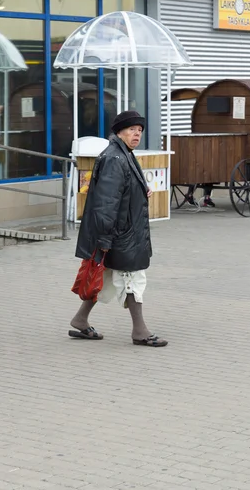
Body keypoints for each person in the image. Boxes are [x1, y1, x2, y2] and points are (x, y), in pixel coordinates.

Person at [69, 110, 168, 348]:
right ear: (119, 131)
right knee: (132, 277)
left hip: (121, 231)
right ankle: (140, 331)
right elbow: (106, 202)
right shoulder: (115, 158)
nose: (137, 134)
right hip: (120, 233)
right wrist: (104, 237)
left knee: (105, 276)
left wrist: (140, 191)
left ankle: (80, 319)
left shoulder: (123, 154)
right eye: (132, 129)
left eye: (140, 130)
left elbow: (121, 192)